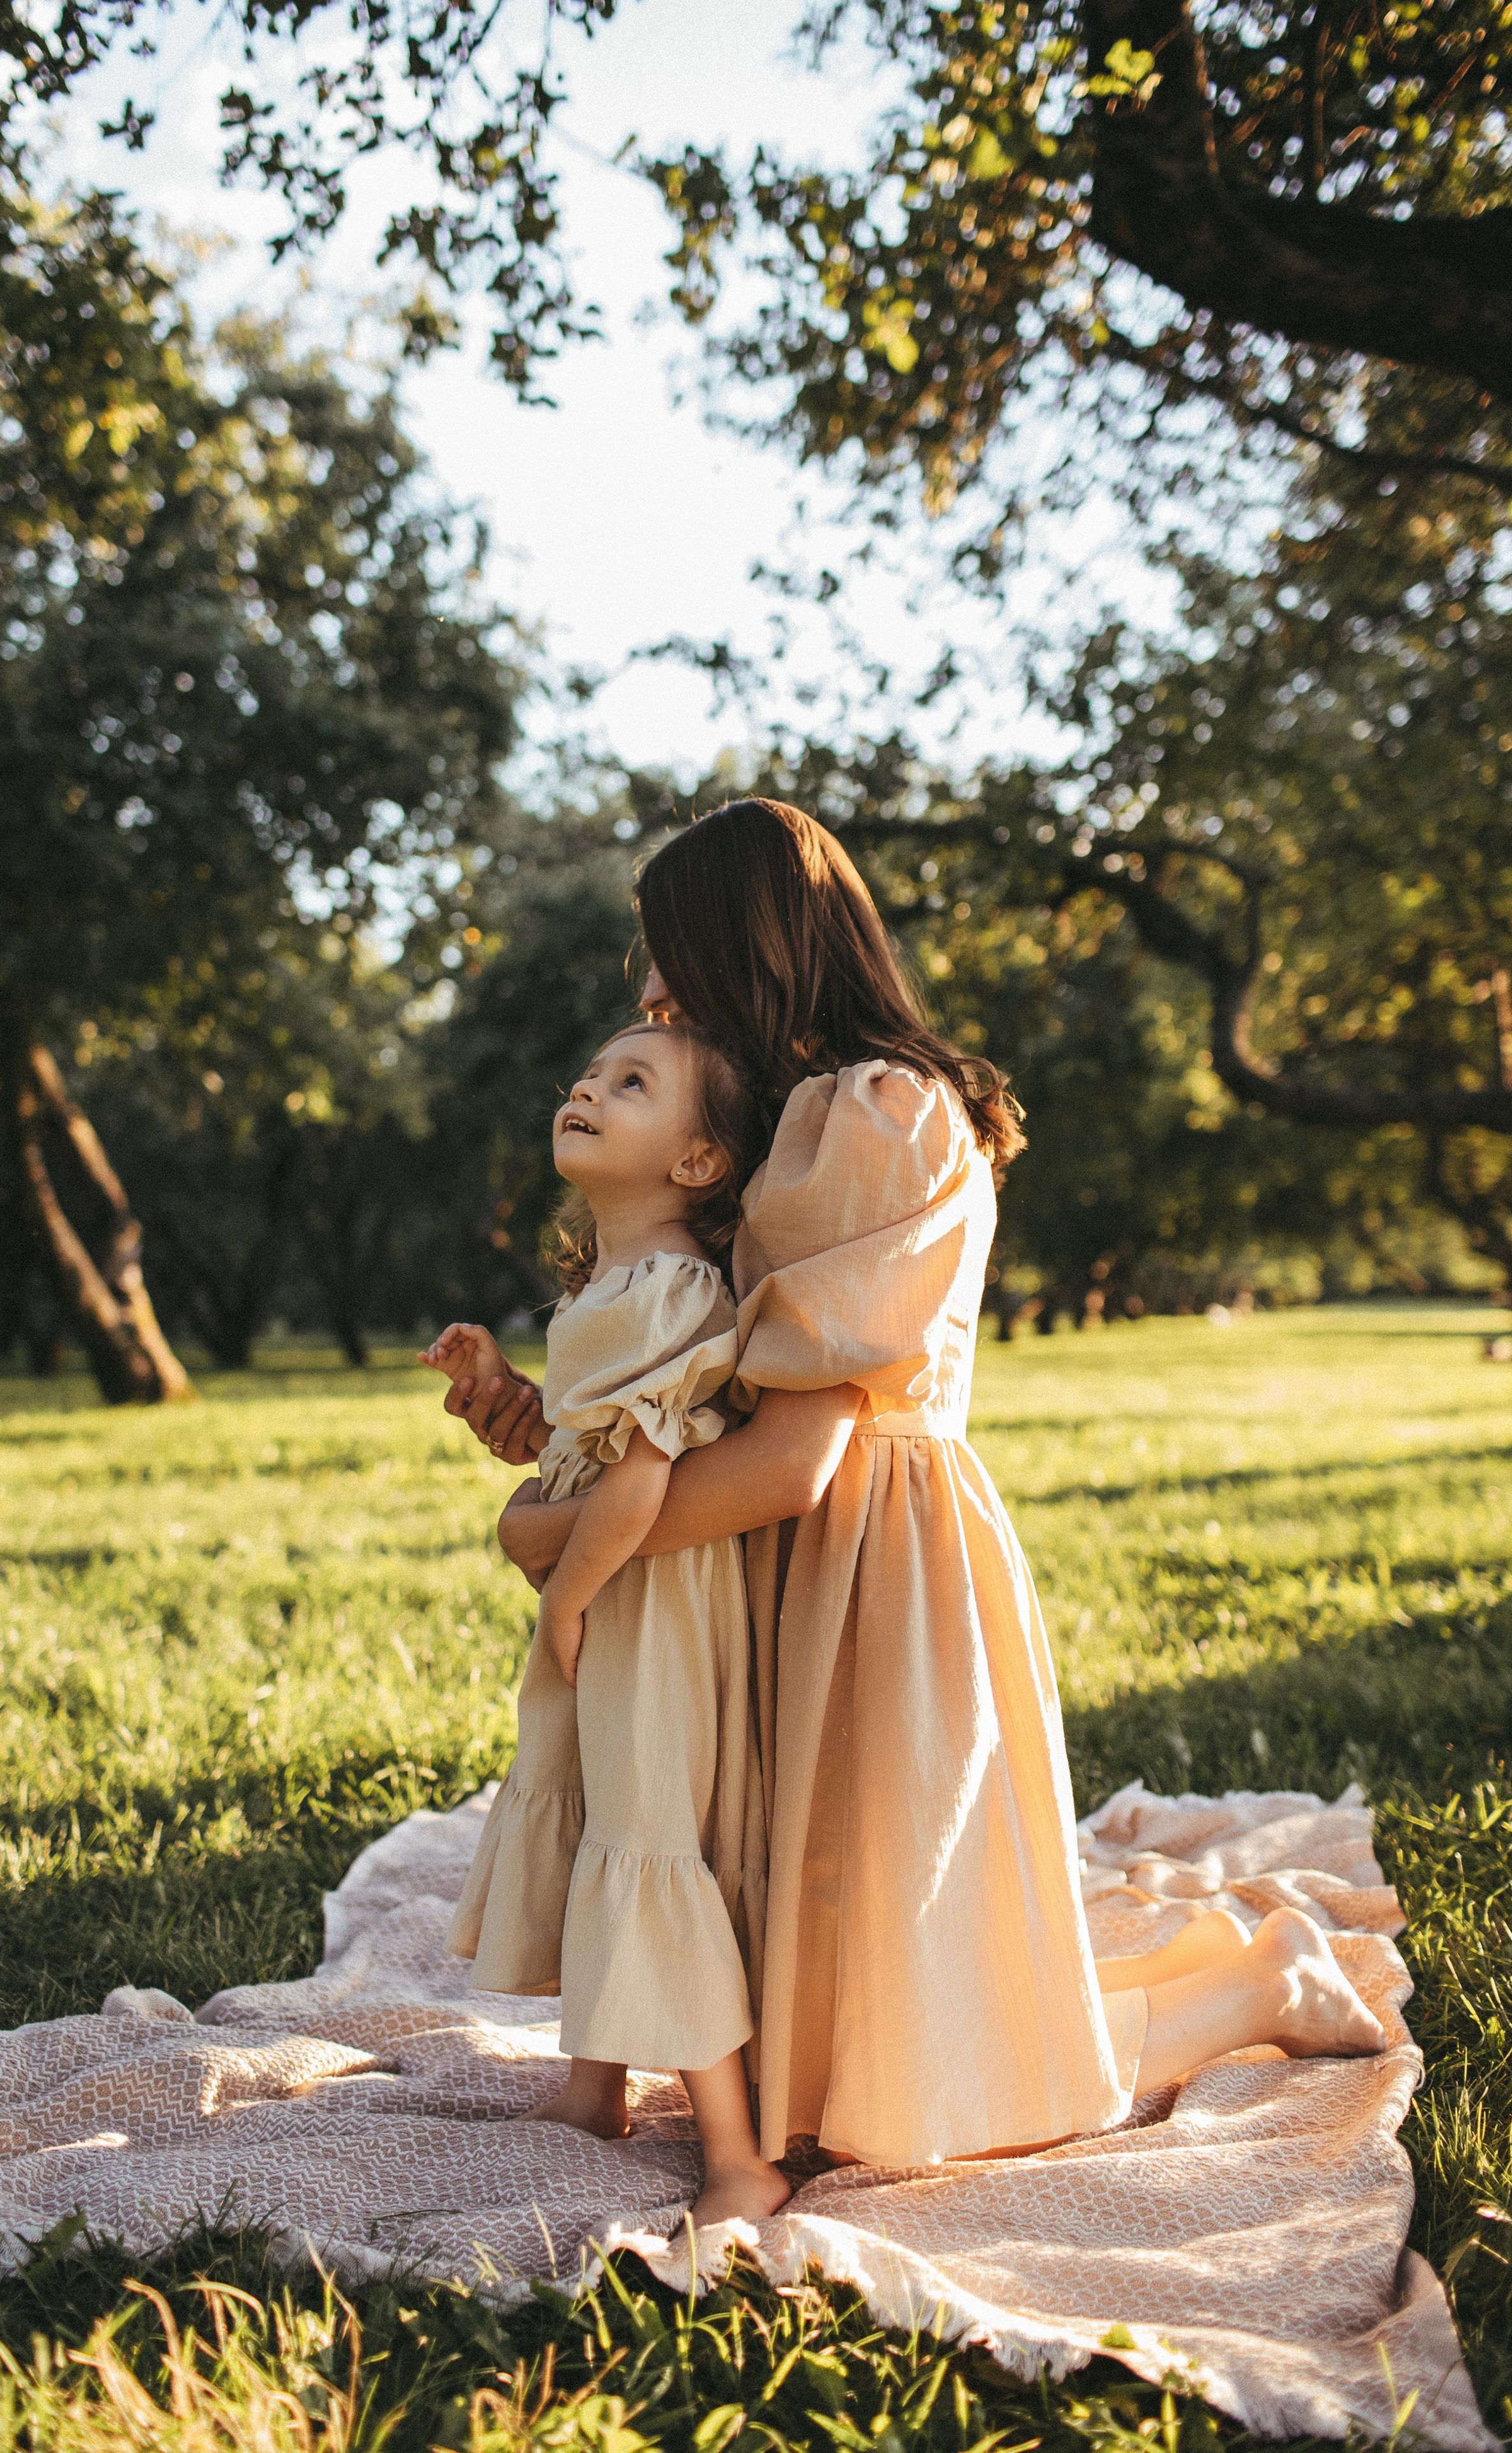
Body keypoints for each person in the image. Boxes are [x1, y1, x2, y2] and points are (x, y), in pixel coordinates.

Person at [445, 798, 1385, 2220]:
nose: (646, 993)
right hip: (784, 1549)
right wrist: (544, 1437)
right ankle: (1187, 1980)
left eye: (668, 953)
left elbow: (795, 1457)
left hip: (871, 1551)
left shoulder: (866, 1113)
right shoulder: (799, 1113)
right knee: (830, 1973)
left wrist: (556, 1546)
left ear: (746, 945)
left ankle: (1248, 1988)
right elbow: (698, 1392)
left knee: (896, 2080)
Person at [424, 1021, 786, 2228]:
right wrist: (511, 1399)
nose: (587, 1085)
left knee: (645, 1835)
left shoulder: (677, 1284)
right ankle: (596, 2088)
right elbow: (583, 1450)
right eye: (589, 1072)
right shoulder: (615, 1287)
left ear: (695, 1162)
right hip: (615, 1584)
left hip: (649, 1599)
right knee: (597, 1819)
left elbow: (636, 1482)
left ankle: (737, 2157)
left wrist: (560, 1604)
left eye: (632, 1084)